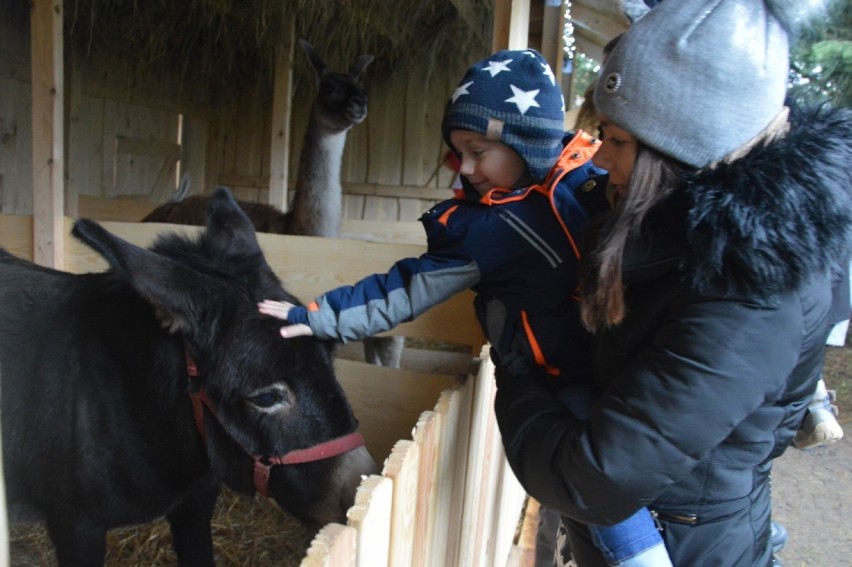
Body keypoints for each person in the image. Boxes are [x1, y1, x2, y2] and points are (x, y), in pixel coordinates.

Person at [259, 49, 672, 566]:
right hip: (563, 379)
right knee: (601, 485)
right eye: (460, 153)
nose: (466, 168)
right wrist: (314, 315)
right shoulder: (485, 229)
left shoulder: (593, 177)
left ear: (525, 140)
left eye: (477, 151)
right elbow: (403, 288)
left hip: (627, 357)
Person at [491, 1, 852, 566]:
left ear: (683, 143)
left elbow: (594, 478)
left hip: (681, 543)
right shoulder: (685, 231)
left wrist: (516, 372)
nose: (600, 159)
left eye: (617, 140)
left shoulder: (748, 293)